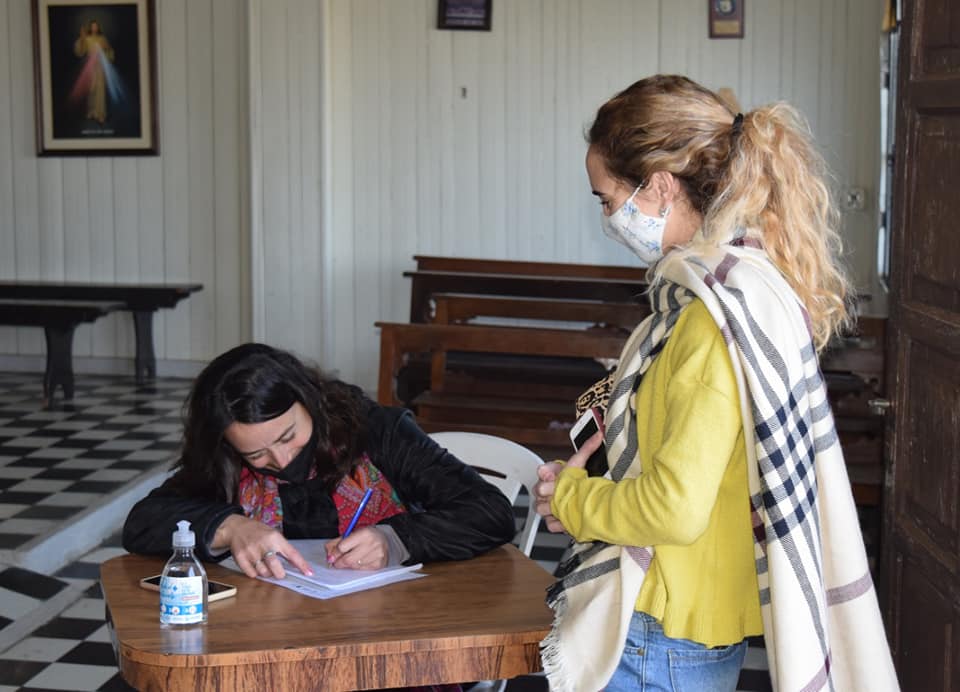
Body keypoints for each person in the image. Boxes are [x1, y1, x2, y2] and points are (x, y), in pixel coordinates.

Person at [533, 75, 898, 692]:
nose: (606, 216)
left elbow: (672, 509)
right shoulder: (743, 287)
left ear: (659, 186)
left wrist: (569, 498)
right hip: (698, 620)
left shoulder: (708, 319)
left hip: (663, 636)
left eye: (606, 198)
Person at [123, 343, 516, 584]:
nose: (279, 460)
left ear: (309, 400)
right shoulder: (222, 457)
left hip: (391, 633)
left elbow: (489, 512)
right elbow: (143, 522)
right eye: (255, 454)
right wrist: (230, 527)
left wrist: (395, 540)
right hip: (268, 636)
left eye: (287, 436)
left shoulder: (377, 431)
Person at [72, 20, 114, 124]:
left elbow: (109, 51)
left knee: (100, 90)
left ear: (98, 28)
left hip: (100, 66)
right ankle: (91, 111)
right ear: (90, 28)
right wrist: (82, 38)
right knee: (91, 89)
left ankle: (100, 114)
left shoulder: (102, 39)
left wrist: (107, 49)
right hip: (89, 66)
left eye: (96, 26)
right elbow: (80, 51)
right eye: (92, 26)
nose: (94, 28)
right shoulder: (87, 39)